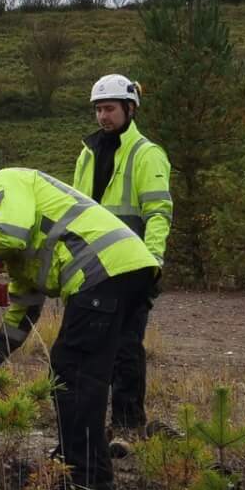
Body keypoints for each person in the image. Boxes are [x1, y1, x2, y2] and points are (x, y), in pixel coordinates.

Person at [0, 165, 155, 490]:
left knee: (71, 375)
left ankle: (86, 484)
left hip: (104, 271)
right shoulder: (21, 246)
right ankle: (80, 469)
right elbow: (25, 309)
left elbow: (7, 234)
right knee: (85, 377)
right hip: (128, 270)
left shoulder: (3, 184)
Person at [70, 75, 172, 431]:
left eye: (109, 108)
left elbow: (158, 214)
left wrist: (153, 263)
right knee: (93, 350)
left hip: (131, 269)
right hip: (92, 269)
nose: (102, 116)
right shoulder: (87, 153)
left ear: (130, 109)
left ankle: (129, 425)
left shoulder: (147, 154)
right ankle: (95, 425)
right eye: (98, 109)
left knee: (126, 347)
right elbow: (75, 212)